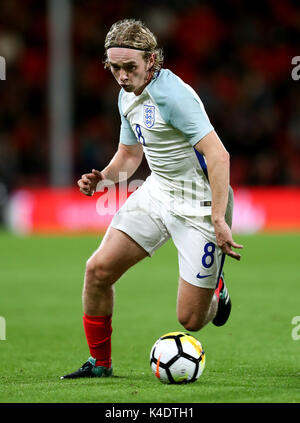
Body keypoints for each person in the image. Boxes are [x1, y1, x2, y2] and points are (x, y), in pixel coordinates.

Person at [61, 18, 243, 379]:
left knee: (191, 319)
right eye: (115, 68)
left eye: (130, 67)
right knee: (97, 271)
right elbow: (130, 156)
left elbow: (219, 156)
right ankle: (100, 363)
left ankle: (215, 290)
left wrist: (219, 219)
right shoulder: (126, 96)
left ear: (152, 61)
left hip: (199, 204)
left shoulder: (174, 95)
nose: (123, 76)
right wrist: (103, 178)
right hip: (158, 191)